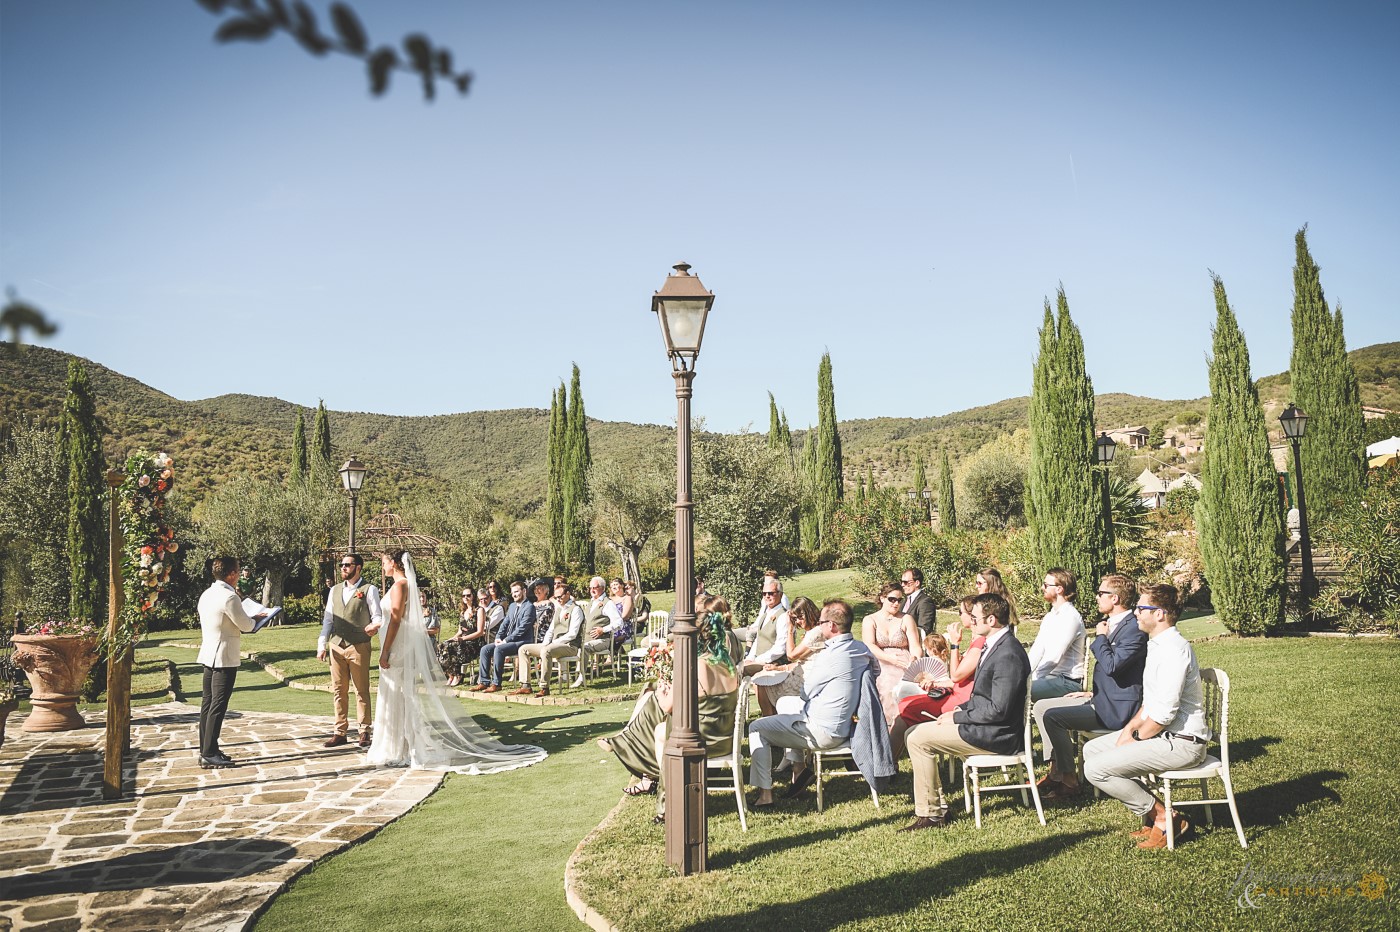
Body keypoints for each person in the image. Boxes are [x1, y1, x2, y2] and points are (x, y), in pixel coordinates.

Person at [366, 550, 546, 773]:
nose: (382, 567)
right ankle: (400, 746)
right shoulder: (406, 585)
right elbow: (398, 619)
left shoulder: (400, 585)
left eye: (384, 562)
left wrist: (384, 652)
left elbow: (395, 619)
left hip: (396, 647)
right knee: (399, 695)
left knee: (398, 695)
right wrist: (377, 626)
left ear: (393, 563)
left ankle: (401, 748)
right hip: (399, 642)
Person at [1084, 583, 1209, 849]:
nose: (1136, 613)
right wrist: (1130, 730)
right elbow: (1149, 703)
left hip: (1182, 742)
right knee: (1091, 751)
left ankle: (1164, 818)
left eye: (1142, 608)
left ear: (1160, 614)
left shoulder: (1174, 650)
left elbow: (1164, 715)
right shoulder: (1157, 644)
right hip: (1163, 735)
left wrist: (1137, 739)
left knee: (1095, 769)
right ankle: (1156, 815)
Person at [600, 595, 742, 819]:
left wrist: (662, 688)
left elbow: (668, 707)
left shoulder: (698, 666)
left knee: (662, 731)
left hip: (702, 740)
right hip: (725, 737)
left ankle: (668, 801)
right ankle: (653, 774)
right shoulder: (728, 663)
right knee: (659, 729)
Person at [903, 592, 1030, 831]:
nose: (971, 620)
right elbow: (983, 698)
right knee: (913, 732)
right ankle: (937, 809)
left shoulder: (1007, 654)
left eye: (975, 616)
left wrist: (958, 716)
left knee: (918, 738)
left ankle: (931, 815)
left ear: (991, 620)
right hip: (984, 725)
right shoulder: (996, 646)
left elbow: (999, 710)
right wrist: (959, 709)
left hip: (997, 735)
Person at [748, 599, 892, 808]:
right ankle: (798, 768)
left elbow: (806, 693)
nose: (820, 624)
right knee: (786, 703)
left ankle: (765, 794)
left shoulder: (830, 656)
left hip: (821, 732)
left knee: (756, 728)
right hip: (847, 727)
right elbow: (874, 674)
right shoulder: (862, 650)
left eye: (823, 621)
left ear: (832, 626)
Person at [1035, 574, 1148, 798]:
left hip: (1117, 709)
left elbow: (1113, 666)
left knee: (1052, 717)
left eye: (1100, 593)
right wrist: (1092, 692)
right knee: (1041, 708)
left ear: (1114, 598)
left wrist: (1100, 638)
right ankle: (1057, 770)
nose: (1096, 597)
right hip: (1103, 697)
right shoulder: (1115, 625)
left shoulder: (1133, 628)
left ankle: (1068, 780)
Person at [196, 556, 267, 768]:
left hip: (209, 652)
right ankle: (209, 753)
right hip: (224, 655)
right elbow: (245, 625)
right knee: (218, 704)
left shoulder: (207, 593)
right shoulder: (230, 597)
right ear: (233, 574)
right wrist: (259, 618)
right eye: (238, 570)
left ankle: (207, 748)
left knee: (207, 703)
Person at [317, 553, 384, 748]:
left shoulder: (369, 589)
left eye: (347, 565)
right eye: (341, 565)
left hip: (359, 644)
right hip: (336, 645)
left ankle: (364, 730)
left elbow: (378, 616)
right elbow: (328, 620)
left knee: (361, 689)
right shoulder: (334, 590)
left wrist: (374, 626)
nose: (343, 568)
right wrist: (322, 644)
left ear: (358, 567)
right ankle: (340, 731)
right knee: (339, 690)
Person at [753, 596, 825, 716]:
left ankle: (770, 720)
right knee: (760, 678)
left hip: (805, 681)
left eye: (800, 617)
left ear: (809, 613)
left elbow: (791, 655)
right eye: (795, 619)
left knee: (761, 683)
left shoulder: (816, 633)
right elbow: (803, 661)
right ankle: (773, 719)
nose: (798, 622)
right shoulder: (813, 632)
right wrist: (779, 668)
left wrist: (790, 629)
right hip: (800, 674)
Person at [863, 582, 923, 724]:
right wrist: (889, 659)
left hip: (904, 660)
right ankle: (888, 725)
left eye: (899, 600)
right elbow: (869, 645)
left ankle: (905, 722)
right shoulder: (870, 620)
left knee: (906, 685)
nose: (896, 603)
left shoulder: (906, 619)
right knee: (886, 684)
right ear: (883, 598)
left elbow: (915, 645)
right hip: (880, 660)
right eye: (892, 599)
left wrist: (915, 658)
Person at [515, 579, 586, 697]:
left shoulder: (576, 610)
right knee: (523, 649)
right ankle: (525, 685)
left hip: (570, 646)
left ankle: (544, 687)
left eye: (560, 596)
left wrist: (553, 643)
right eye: (556, 597)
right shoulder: (559, 609)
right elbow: (551, 629)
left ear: (568, 594)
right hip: (553, 644)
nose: (558, 599)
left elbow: (573, 633)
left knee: (546, 651)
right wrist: (546, 642)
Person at [1029, 567, 1086, 701]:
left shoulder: (1071, 617)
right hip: (1049, 678)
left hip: (1068, 682)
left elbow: (1054, 656)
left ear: (1059, 589)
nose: (1042, 587)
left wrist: (1033, 679)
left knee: (1016, 691)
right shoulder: (1050, 616)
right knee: (1011, 687)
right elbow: (1037, 650)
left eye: (1046, 585)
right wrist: (1023, 674)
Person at [470, 580, 535, 693]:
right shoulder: (512, 606)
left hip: (523, 641)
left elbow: (522, 629)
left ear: (524, 591)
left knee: (499, 649)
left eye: (516, 591)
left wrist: (505, 641)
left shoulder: (529, 607)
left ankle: (496, 683)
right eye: (512, 592)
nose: (514, 594)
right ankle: (484, 682)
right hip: (508, 641)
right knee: (485, 649)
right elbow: (505, 623)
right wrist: (498, 638)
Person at [738, 578, 790, 676]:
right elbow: (758, 639)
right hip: (759, 660)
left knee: (740, 671)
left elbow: (780, 648)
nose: (767, 596)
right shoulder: (765, 614)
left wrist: (757, 661)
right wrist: (749, 658)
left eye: (771, 593)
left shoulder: (783, 616)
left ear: (781, 594)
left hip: (774, 662)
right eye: (764, 594)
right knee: (735, 667)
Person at [580, 576, 626, 679]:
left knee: (584, 648)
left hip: (603, 640)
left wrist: (603, 630)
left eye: (595, 587)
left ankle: (581, 676)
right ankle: (566, 676)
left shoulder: (608, 603)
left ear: (603, 588)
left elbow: (619, 622)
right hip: (586, 638)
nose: (592, 590)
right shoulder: (591, 603)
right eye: (591, 587)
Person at [441, 587, 486, 687]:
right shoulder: (462, 612)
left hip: (475, 642)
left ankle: (458, 675)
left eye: (468, 595)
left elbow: (480, 632)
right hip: (462, 641)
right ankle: (451, 674)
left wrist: (462, 639)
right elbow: (460, 631)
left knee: (455, 646)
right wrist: (452, 638)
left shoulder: (479, 610)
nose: (466, 597)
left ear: (473, 596)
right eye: (463, 596)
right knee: (443, 645)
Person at [900, 567, 939, 635]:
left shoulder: (925, 602)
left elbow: (925, 629)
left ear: (917, 583)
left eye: (906, 582)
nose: (902, 585)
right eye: (902, 582)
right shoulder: (903, 601)